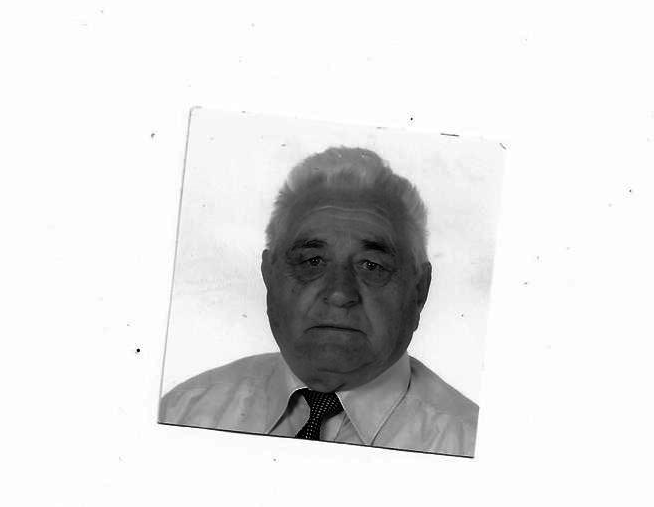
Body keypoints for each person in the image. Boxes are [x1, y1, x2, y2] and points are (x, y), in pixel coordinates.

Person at [159, 147, 478, 457]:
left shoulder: (469, 444)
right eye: (312, 261)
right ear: (269, 275)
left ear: (420, 289)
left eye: (371, 265)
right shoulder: (183, 413)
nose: (339, 293)